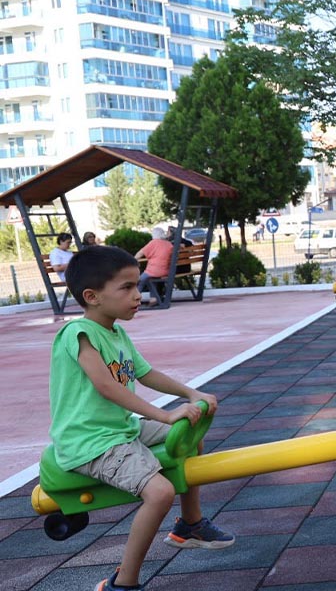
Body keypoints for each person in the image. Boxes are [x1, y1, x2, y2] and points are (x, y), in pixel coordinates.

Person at [53, 246, 233, 591]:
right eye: (126, 287)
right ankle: (123, 582)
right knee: (160, 493)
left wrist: (191, 393)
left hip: (120, 430)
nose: (138, 294)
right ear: (92, 296)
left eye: (137, 285)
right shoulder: (78, 334)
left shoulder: (117, 333)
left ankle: (190, 524)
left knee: (192, 436)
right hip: (90, 441)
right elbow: (107, 387)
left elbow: (146, 373)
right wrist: (165, 415)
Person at [134, 227, 173, 307]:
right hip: (165, 271)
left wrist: (133, 260)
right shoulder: (169, 244)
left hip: (153, 271)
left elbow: (140, 253)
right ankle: (153, 299)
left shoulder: (153, 243)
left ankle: (134, 299)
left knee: (140, 281)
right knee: (150, 279)